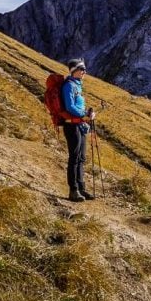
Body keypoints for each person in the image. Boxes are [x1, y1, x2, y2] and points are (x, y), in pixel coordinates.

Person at [61, 58, 95, 202]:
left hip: (80, 125)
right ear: (73, 70)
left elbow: (78, 106)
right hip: (71, 125)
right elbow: (70, 107)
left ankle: (81, 188)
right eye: (81, 69)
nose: (84, 72)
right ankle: (73, 190)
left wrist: (88, 114)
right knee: (74, 158)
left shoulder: (77, 85)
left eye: (84, 70)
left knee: (81, 158)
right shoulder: (68, 86)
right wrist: (85, 115)